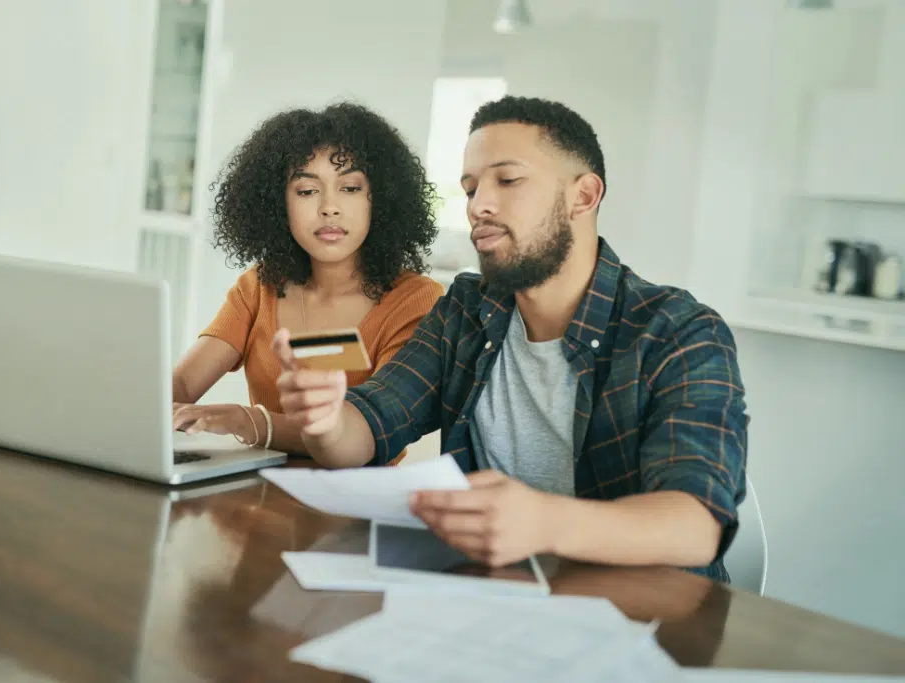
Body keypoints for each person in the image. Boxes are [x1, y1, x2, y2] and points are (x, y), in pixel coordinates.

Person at [273, 95, 748, 582]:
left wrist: (543, 522)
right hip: (492, 596)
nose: (480, 205)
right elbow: (369, 427)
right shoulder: (467, 309)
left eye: (508, 180)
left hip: (640, 618)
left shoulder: (679, 331)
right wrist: (327, 421)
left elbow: (695, 526)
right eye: (471, 187)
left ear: (583, 196)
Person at [172, 102, 444, 456]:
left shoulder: (415, 300)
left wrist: (247, 421)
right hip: (253, 498)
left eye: (350, 188)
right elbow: (182, 383)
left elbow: (369, 429)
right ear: (276, 204)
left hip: (354, 503)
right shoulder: (260, 287)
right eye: (306, 191)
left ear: (381, 199)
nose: (329, 207)